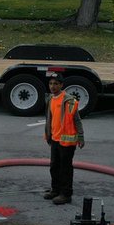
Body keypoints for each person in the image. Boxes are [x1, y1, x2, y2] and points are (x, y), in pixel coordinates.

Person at [44, 71, 85, 205]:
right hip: (55, 138)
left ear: (61, 85)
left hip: (67, 141)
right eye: (50, 83)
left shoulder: (68, 100)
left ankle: (66, 194)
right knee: (54, 166)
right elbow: (49, 118)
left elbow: (77, 119)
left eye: (56, 84)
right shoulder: (50, 98)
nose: (52, 86)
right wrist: (48, 134)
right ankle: (55, 189)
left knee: (65, 168)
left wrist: (81, 136)